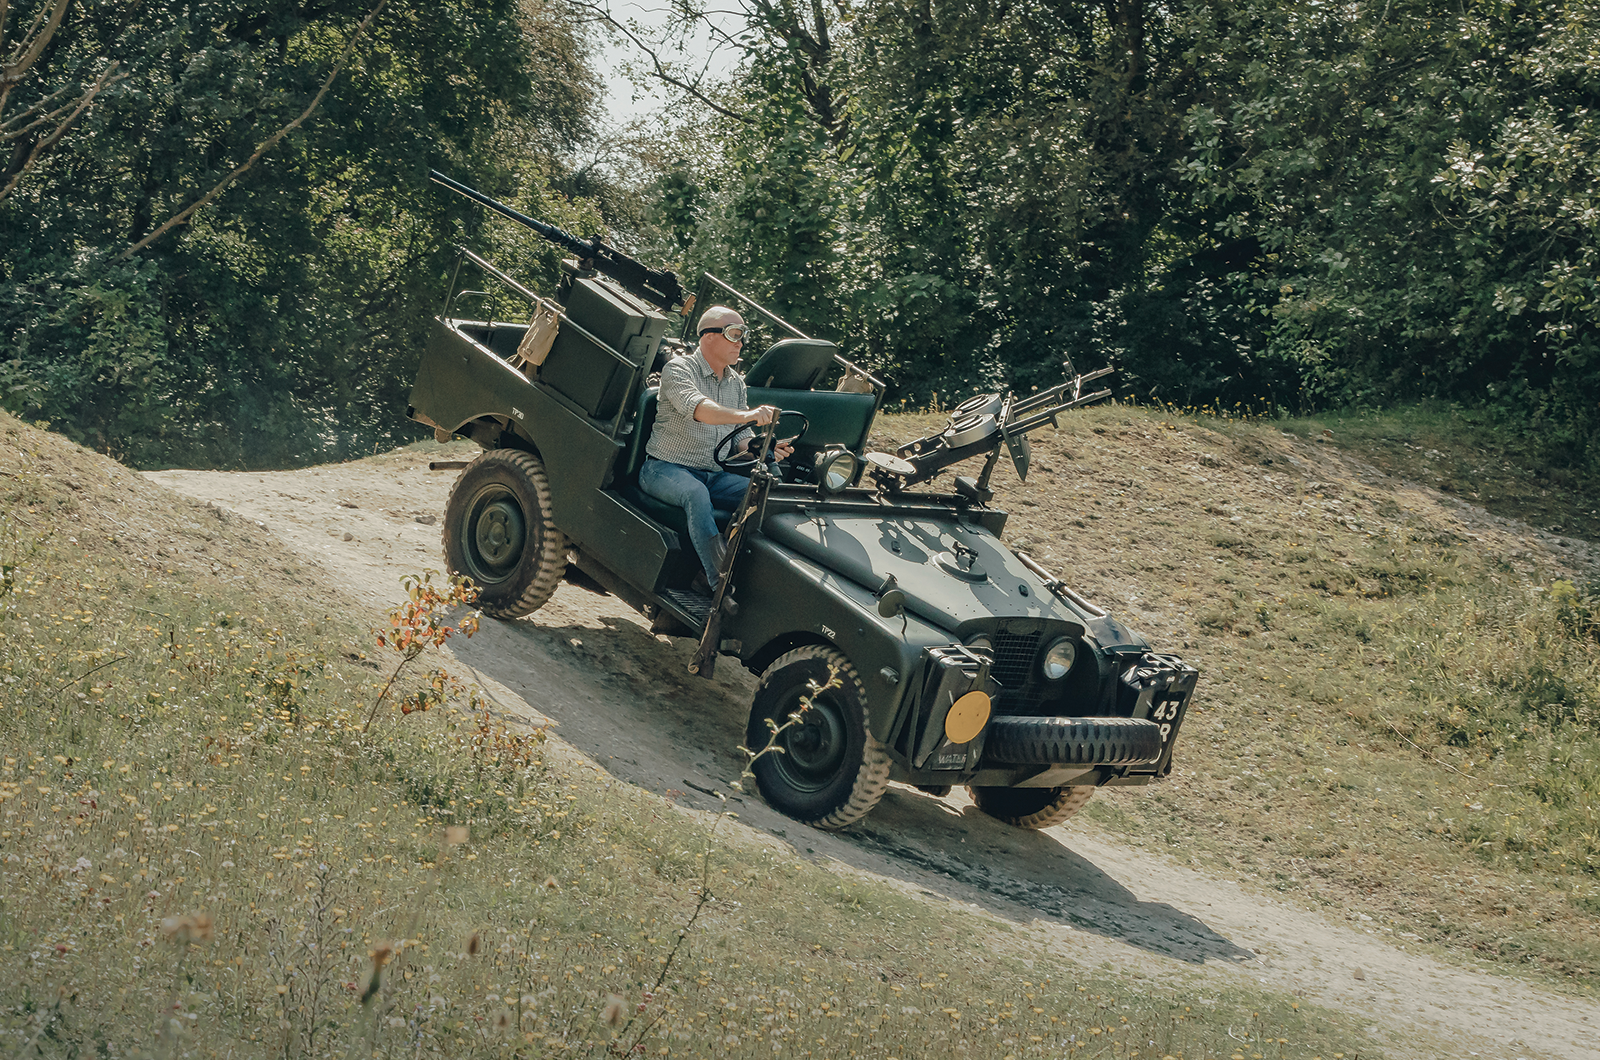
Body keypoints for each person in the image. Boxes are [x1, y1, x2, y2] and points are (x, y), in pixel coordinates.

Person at [640, 305, 794, 595]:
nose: (741, 343)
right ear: (708, 336)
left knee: (764, 495)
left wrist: (762, 446)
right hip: (663, 469)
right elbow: (700, 409)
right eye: (734, 334)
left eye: (744, 335)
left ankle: (747, 574)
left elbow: (740, 438)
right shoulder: (679, 369)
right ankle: (718, 585)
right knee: (695, 494)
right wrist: (747, 415)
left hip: (713, 474)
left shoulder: (736, 383)